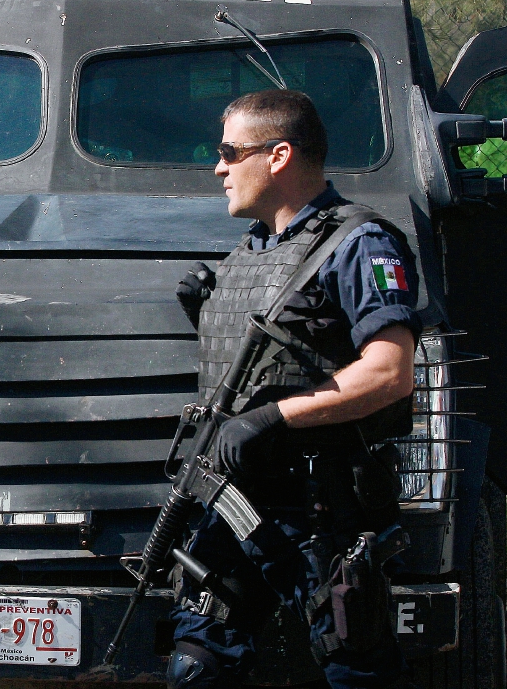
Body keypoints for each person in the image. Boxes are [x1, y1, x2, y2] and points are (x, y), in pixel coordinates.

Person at [170, 90, 422, 689]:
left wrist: (273, 418)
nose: (219, 169)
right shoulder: (254, 250)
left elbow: (390, 371)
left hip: (319, 509)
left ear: (278, 156)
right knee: (196, 665)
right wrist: (207, 315)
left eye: (229, 153)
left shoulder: (359, 243)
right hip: (236, 502)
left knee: (355, 670)